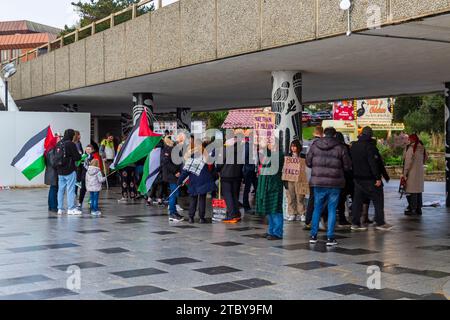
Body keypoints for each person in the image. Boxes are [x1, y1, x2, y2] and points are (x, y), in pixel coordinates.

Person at [306, 127, 352, 246]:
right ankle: (330, 238)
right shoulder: (340, 147)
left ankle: (313, 235)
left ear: (324, 134)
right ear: (335, 134)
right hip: (335, 183)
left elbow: (308, 162)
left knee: (317, 208)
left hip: (318, 182)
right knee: (332, 209)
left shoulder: (315, 145)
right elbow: (347, 166)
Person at [350, 126, 393, 231]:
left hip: (357, 179)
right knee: (378, 200)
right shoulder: (370, 146)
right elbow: (373, 163)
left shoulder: (354, 146)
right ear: (370, 135)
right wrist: (378, 178)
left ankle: (355, 223)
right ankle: (380, 222)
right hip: (370, 179)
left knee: (357, 201)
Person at [178, 140, 216, 224]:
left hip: (194, 181)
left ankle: (191, 217)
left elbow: (185, 172)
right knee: (202, 199)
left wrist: (179, 181)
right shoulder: (205, 155)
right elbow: (211, 166)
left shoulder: (191, 157)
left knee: (193, 199)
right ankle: (202, 218)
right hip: (203, 180)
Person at [256, 142, 285, 240]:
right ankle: (271, 231)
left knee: (276, 209)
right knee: (269, 209)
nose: (269, 145)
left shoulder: (280, 155)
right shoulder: (267, 155)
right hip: (267, 185)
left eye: (271, 143)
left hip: (275, 185)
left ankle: (277, 233)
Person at [55, 129, 82, 215]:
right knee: (70, 189)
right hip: (69, 170)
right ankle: (71, 208)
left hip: (60, 170)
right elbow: (77, 157)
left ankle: (60, 209)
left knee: (60, 190)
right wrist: (80, 154)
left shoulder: (59, 143)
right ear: (71, 135)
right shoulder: (71, 144)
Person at [305, 126, 326, 229]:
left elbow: (308, 161)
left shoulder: (310, 144)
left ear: (314, 133)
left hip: (312, 177)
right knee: (322, 200)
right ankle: (319, 221)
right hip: (323, 177)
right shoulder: (325, 144)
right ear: (322, 134)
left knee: (312, 199)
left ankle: (308, 220)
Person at [217, 137, 244, 223]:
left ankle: (231, 214)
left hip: (226, 175)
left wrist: (217, 170)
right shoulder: (240, 150)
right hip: (237, 176)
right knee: (234, 195)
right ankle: (236, 213)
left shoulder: (225, 149)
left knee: (227, 195)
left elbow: (220, 163)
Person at [403, 133, 428, 216]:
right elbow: (426, 158)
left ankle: (412, 209)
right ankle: (418, 209)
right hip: (419, 173)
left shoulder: (411, 149)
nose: (408, 141)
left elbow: (407, 163)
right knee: (418, 191)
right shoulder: (422, 148)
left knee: (411, 191)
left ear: (412, 140)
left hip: (411, 173)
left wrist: (405, 174)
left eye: (409, 139)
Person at [283, 140, 307, 222]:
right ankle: (292, 213)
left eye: (295, 146)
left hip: (300, 179)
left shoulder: (303, 156)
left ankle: (302, 213)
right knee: (291, 197)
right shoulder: (288, 156)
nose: (293, 148)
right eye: (292, 146)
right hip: (290, 179)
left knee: (300, 197)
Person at [161, 135, 184, 222]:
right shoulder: (168, 149)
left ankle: (174, 212)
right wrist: (175, 172)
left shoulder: (174, 148)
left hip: (176, 174)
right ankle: (172, 213)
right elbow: (166, 163)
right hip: (172, 175)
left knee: (175, 193)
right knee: (173, 193)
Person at [335, 132, 353, 227]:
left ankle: (328, 218)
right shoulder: (345, 147)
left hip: (332, 177)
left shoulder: (331, 147)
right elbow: (348, 164)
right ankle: (342, 219)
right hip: (343, 177)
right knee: (342, 199)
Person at [117, 135, 137, 202]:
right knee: (131, 181)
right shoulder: (132, 145)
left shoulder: (121, 145)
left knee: (124, 181)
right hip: (132, 165)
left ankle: (124, 197)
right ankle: (132, 195)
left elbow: (118, 155)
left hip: (124, 165)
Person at [44, 133, 61, 212]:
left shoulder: (49, 149)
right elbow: (53, 162)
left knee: (52, 189)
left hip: (51, 173)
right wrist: (60, 163)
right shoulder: (52, 150)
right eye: (58, 140)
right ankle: (53, 206)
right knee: (54, 189)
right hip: (53, 173)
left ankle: (51, 206)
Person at [242, 130, 258, 214]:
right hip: (248, 170)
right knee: (247, 189)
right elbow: (244, 158)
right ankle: (246, 207)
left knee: (257, 188)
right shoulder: (247, 146)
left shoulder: (254, 146)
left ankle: (259, 206)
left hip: (254, 170)